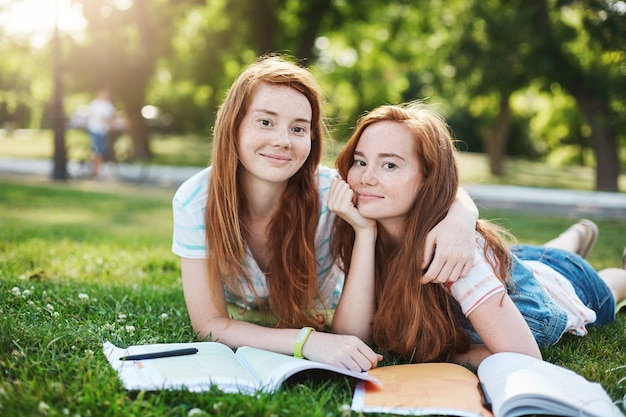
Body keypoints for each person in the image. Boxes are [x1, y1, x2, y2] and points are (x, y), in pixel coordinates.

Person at [171, 55, 480, 371]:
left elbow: (423, 184)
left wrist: (462, 217)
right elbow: (209, 325)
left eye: (298, 128)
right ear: (233, 125)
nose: (282, 141)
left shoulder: (332, 192)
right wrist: (308, 342)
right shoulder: (195, 202)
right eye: (265, 122)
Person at [328, 102, 626, 368]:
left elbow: (523, 358)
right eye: (360, 161)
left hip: (567, 285)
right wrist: (364, 234)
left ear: (428, 179)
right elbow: (350, 336)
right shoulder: (369, 228)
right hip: (518, 267)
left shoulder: (451, 253)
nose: (366, 178)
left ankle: (581, 251)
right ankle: (573, 237)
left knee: (610, 285)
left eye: (389, 164)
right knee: (529, 259)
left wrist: (442, 353)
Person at [86, 88, 115, 179]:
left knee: (101, 152)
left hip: (104, 131)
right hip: (95, 130)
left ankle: (96, 171)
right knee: (98, 152)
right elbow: (95, 116)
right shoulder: (95, 104)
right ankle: (95, 173)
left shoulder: (109, 105)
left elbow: (112, 117)